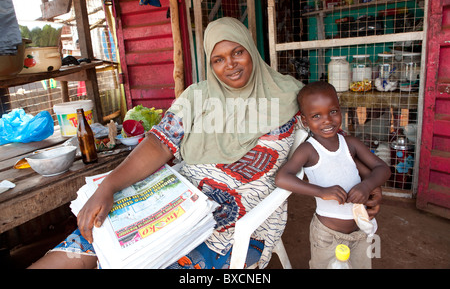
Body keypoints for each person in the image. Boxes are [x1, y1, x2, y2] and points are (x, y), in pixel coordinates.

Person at [28, 17, 381, 269]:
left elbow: (331, 138)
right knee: (87, 243)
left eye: (238, 53)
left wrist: (363, 186)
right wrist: (109, 185)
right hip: (178, 194)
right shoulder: (197, 97)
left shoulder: (289, 95)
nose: (231, 66)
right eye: (218, 59)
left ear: (251, 51)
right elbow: (159, 143)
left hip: (241, 213)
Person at [275, 81, 390, 269]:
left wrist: (366, 186)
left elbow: (382, 168)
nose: (327, 120)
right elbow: (282, 177)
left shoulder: (350, 143)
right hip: (327, 235)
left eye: (333, 112)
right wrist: (321, 191)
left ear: (340, 110)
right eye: (316, 116)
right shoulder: (309, 150)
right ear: (305, 121)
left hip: (360, 232)